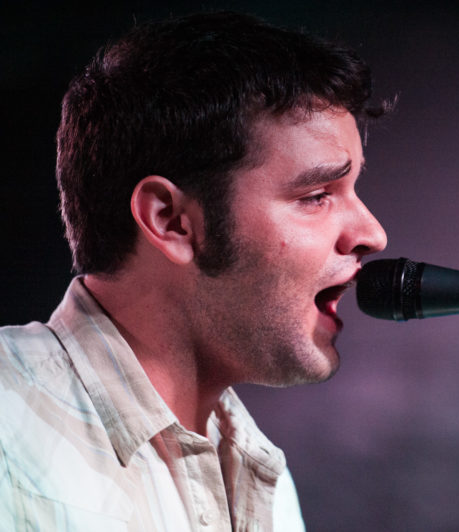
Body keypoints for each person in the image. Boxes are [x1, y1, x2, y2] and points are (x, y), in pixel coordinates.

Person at [0, 10, 389, 531]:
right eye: (316, 195)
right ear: (172, 221)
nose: (373, 234)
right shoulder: (9, 422)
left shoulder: (269, 489)